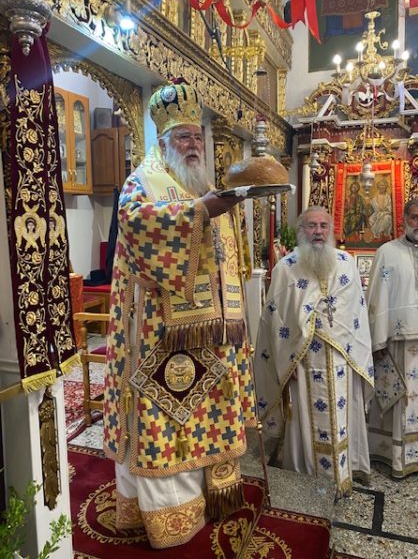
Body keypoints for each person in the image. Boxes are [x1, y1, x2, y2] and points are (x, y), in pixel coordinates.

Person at [103, 79, 257, 549]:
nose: (193, 145)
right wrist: (199, 212)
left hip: (213, 331)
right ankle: (166, 514)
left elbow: (228, 255)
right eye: (184, 137)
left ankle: (206, 496)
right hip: (158, 331)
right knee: (167, 416)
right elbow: (135, 224)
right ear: (165, 140)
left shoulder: (206, 185)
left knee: (204, 413)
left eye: (197, 137)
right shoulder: (143, 181)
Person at [254, 206, 374, 498]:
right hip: (303, 362)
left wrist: (355, 357)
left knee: (342, 418)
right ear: (300, 231)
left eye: (323, 225)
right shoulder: (286, 267)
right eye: (311, 226)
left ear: (331, 230)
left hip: (341, 360)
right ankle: (306, 479)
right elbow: (275, 320)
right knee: (305, 419)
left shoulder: (346, 264)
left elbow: (356, 316)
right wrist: (285, 360)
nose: (318, 231)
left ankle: (342, 475)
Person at [367, 198, 418, 478]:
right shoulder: (387, 253)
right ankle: (398, 458)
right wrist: (377, 340)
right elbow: (377, 297)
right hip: (399, 343)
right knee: (403, 400)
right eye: (415, 217)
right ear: (404, 219)